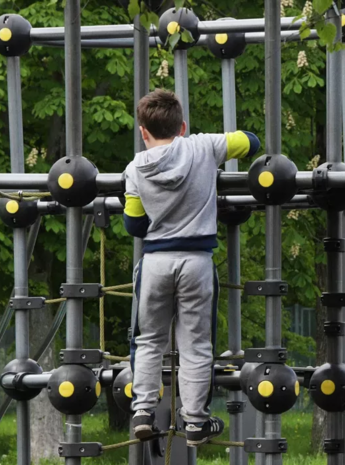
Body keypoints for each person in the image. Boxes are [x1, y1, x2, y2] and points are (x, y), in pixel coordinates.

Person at [124, 89, 260, 446]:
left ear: (143, 131)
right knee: (196, 345)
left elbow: (134, 227)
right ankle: (196, 422)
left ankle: (142, 410)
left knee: (149, 338)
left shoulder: (135, 169)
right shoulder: (203, 147)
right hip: (197, 261)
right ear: (182, 125)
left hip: (155, 262)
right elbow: (251, 141)